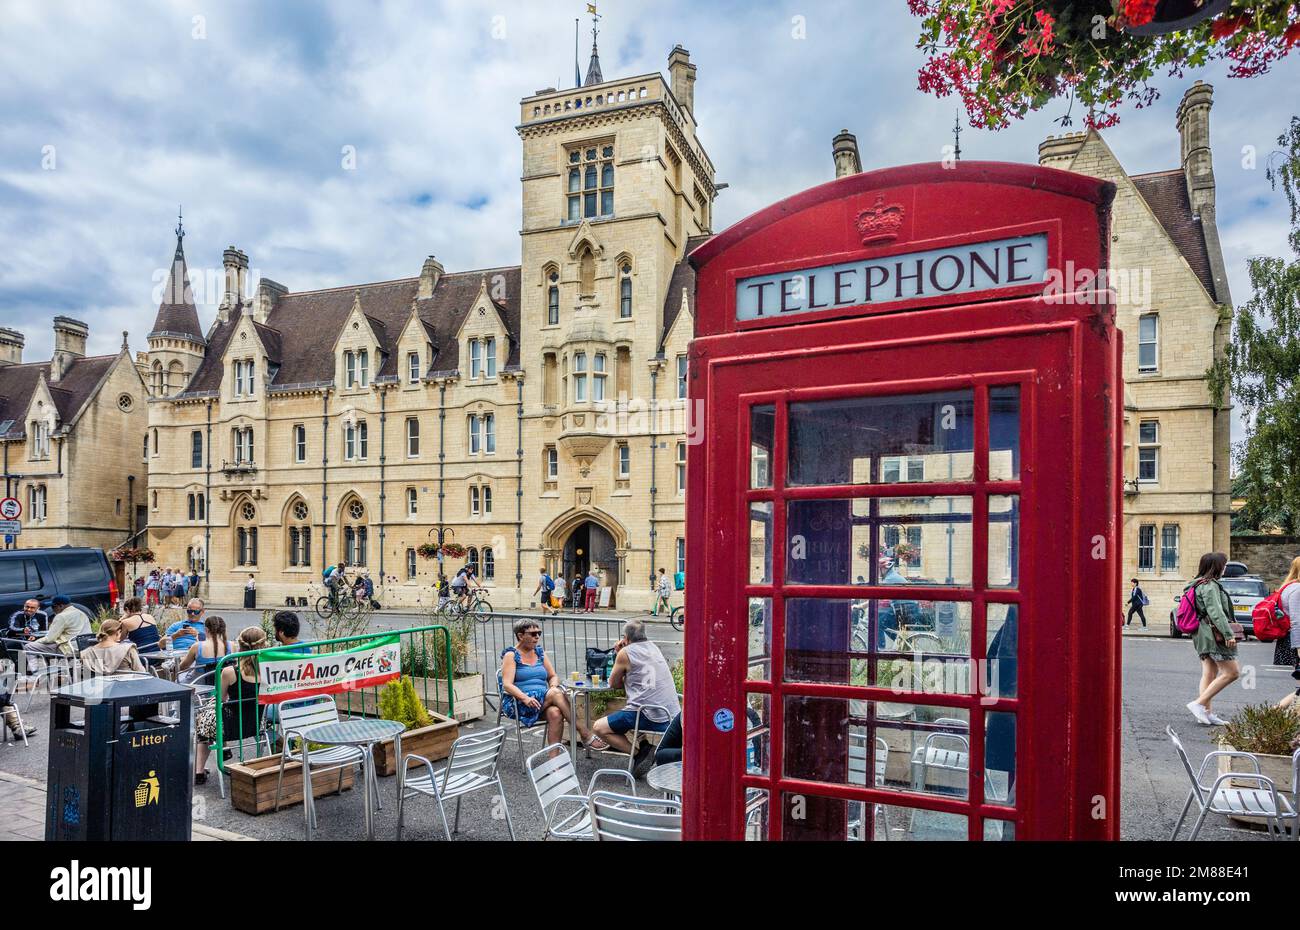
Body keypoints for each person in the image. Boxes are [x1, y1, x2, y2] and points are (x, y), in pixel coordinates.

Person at [590, 620, 681, 776]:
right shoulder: (654, 647)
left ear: (625, 637)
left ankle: (638, 754)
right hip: (671, 714)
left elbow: (613, 683)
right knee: (628, 709)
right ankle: (644, 745)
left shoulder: (625, 653)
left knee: (599, 727)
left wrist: (619, 652)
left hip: (650, 714)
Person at [499, 618, 590, 747]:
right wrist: (525, 698)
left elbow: (553, 676)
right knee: (554, 694)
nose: (537, 637)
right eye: (533, 634)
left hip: (541, 700)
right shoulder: (511, 655)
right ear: (520, 635)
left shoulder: (539, 653)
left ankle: (555, 763)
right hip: (519, 702)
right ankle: (584, 732)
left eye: (539, 633)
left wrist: (553, 686)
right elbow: (507, 684)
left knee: (555, 713)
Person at [194, 626, 266, 786]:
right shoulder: (268, 670)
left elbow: (220, 698)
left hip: (229, 726)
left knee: (204, 716)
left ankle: (199, 771)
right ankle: (225, 749)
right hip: (256, 723)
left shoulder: (229, 671)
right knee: (212, 715)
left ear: (240, 646)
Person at [1185, 552, 1240, 727]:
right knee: (1232, 673)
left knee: (1209, 673)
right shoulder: (1209, 586)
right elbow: (1216, 612)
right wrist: (1228, 634)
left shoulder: (1198, 584)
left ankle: (1207, 713)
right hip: (1212, 633)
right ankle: (1199, 704)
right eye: (1224, 565)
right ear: (1217, 566)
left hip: (1202, 633)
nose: (1225, 568)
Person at [1272, 557, 1300, 711]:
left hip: (1291, 640)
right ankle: (1276, 713)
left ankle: (1274, 712)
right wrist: (1299, 648)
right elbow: (1297, 621)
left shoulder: (1287, 587)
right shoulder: (1297, 590)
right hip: (1296, 641)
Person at [25, 596, 91, 660]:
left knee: (29, 646)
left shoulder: (61, 616)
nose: (52, 609)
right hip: (84, 647)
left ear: (61, 606)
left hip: (68, 649)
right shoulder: (81, 613)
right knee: (48, 645)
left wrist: (35, 642)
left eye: (53, 606)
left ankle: (33, 670)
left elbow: (50, 639)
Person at [79, 619, 147, 676]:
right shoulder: (127, 649)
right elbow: (141, 672)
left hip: (100, 689)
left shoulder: (86, 653)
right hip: (128, 688)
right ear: (118, 632)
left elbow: (86, 677)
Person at [177, 616, 232, 684]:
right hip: (222, 686)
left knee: (176, 680)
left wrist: (182, 659)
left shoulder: (197, 646)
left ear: (206, 629)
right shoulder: (232, 645)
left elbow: (182, 667)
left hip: (199, 687)